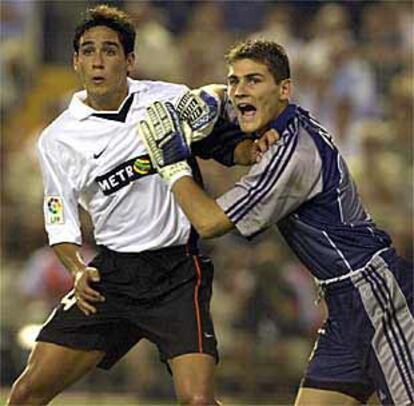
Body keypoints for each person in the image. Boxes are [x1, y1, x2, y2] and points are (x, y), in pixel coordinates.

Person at [6, 7, 272, 405]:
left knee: (197, 400)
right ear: (75, 60)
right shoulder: (58, 139)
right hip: (112, 275)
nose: (98, 60)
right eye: (88, 50)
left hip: (177, 272)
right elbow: (59, 220)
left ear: (129, 60)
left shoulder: (168, 99)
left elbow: (219, 141)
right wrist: (77, 269)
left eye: (110, 50)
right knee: (26, 393)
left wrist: (249, 150)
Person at [138, 39, 414, 406]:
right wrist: (210, 97)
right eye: (235, 81)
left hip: (378, 295)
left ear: (284, 89)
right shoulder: (282, 126)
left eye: (254, 80)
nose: (239, 91)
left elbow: (209, 223)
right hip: (345, 303)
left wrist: (172, 166)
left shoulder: (292, 155)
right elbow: (221, 100)